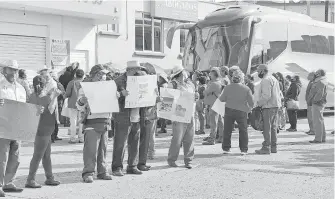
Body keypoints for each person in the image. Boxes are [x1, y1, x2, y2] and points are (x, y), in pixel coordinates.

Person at [76, 64, 113, 183]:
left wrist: (115, 97)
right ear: (94, 75)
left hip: (105, 121)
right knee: (90, 150)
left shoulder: (109, 87)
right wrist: (82, 100)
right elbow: (78, 105)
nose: (103, 77)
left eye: (104, 75)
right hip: (91, 122)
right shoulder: (85, 88)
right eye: (100, 74)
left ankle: (102, 171)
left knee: (103, 149)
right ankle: (88, 172)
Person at [25, 75, 61, 188]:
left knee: (45, 155)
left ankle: (49, 177)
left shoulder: (31, 96)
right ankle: (30, 179)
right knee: (39, 155)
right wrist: (55, 96)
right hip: (45, 129)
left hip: (40, 128)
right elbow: (50, 110)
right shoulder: (45, 97)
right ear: (44, 85)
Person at [112, 61, 145, 176]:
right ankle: (117, 167)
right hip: (123, 116)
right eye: (137, 69)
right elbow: (111, 98)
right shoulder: (118, 81)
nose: (139, 71)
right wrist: (121, 94)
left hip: (136, 116)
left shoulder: (140, 78)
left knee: (134, 143)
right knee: (120, 143)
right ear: (130, 69)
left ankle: (132, 166)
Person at [0, 60, 26, 197]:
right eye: (11, 70)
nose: (14, 73)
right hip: (2, 126)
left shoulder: (21, 88)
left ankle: (8, 182)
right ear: (4, 71)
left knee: (15, 157)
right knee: (1, 157)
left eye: (15, 70)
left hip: (17, 126)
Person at [167, 65, 195, 169]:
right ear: (180, 74)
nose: (186, 74)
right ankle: (172, 160)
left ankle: (188, 160)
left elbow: (194, 96)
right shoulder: (172, 84)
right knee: (177, 139)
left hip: (190, 113)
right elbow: (167, 99)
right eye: (184, 72)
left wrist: (196, 96)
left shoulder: (190, 84)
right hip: (178, 113)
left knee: (190, 138)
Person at [219, 70, 254, 155]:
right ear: (242, 79)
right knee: (243, 130)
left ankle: (226, 148)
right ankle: (243, 149)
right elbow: (251, 102)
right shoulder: (246, 88)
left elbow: (221, 99)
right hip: (242, 110)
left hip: (229, 109)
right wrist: (248, 109)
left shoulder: (227, 87)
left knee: (227, 129)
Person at [255, 64, 282, 155]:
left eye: (258, 71)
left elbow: (266, 95)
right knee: (273, 127)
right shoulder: (273, 79)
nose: (258, 73)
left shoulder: (265, 80)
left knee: (267, 128)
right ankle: (273, 147)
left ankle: (266, 147)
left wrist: (259, 104)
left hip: (268, 106)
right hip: (275, 105)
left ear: (263, 71)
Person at [202, 67, 224, 145]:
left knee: (213, 122)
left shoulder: (213, 84)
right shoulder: (220, 82)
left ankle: (212, 139)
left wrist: (206, 87)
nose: (209, 75)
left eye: (210, 73)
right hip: (219, 102)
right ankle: (221, 137)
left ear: (214, 74)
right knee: (220, 121)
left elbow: (205, 92)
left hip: (213, 104)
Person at [307, 69, 328, 143]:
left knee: (317, 121)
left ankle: (318, 139)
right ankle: (322, 137)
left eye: (318, 73)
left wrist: (314, 101)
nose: (316, 74)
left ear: (321, 74)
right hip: (318, 103)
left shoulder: (320, 82)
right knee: (320, 121)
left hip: (317, 103)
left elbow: (319, 94)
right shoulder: (319, 81)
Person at [66, 69, 85, 143]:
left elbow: (67, 93)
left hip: (72, 103)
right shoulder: (85, 83)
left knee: (73, 121)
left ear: (75, 75)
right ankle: (81, 138)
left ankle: (73, 138)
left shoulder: (71, 83)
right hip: (82, 103)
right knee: (81, 121)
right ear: (83, 75)